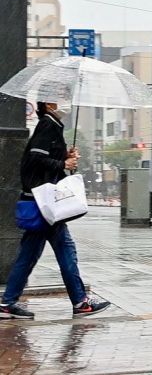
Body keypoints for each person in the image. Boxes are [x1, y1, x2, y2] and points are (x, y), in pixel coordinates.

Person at [0, 102, 110, 320]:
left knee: (28, 255)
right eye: (60, 98)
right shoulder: (47, 125)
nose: (65, 103)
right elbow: (34, 158)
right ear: (48, 105)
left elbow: (42, 158)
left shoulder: (51, 125)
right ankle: (80, 302)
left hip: (42, 204)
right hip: (44, 205)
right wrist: (63, 164)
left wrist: (65, 156)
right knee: (66, 250)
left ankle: (7, 303)